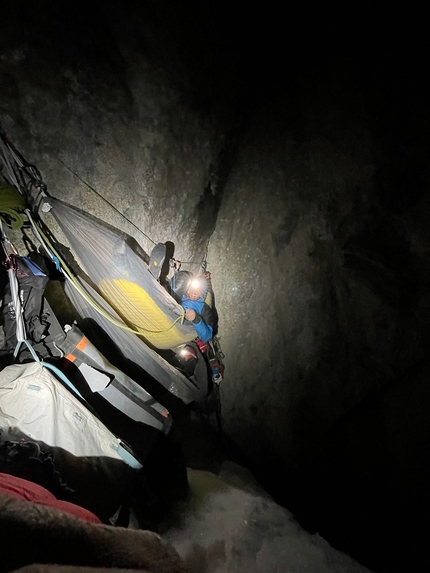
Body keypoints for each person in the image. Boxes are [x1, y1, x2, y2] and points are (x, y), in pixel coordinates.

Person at [171, 271, 217, 343]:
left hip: (178, 323)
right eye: (193, 288)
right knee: (183, 278)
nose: (194, 292)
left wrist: (196, 319)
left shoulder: (203, 308)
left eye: (199, 291)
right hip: (169, 304)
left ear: (202, 295)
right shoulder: (182, 294)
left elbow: (207, 336)